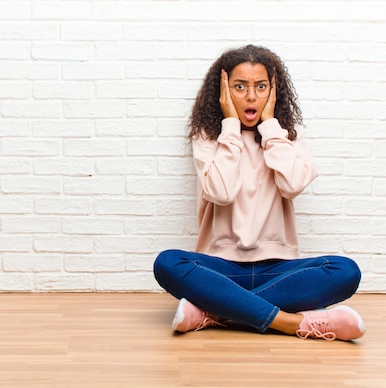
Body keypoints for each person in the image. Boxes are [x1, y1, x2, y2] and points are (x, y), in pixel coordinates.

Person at [153, 45, 365, 341]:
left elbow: (292, 184)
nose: (251, 97)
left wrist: (270, 129)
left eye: (261, 87)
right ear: (224, 92)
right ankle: (291, 323)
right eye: (239, 87)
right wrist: (229, 127)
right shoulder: (210, 137)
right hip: (220, 268)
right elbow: (221, 192)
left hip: (277, 269)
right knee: (168, 263)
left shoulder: (287, 137)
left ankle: (216, 312)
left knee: (345, 271)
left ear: (273, 92)